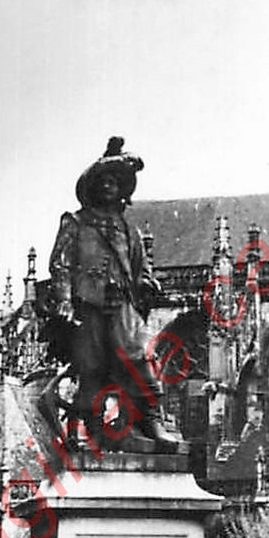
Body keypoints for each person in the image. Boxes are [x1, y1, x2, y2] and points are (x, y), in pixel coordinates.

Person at [44, 137, 181, 452]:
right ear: (93, 187)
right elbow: (61, 265)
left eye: (114, 181)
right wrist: (64, 300)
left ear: (122, 189)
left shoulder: (128, 230)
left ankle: (151, 421)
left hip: (121, 306)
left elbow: (140, 270)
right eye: (103, 181)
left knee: (138, 358)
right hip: (87, 306)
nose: (108, 186)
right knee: (90, 368)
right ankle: (86, 430)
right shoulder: (75, 222)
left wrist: (147, 284)